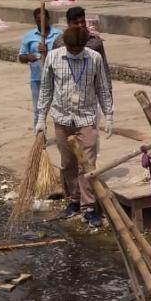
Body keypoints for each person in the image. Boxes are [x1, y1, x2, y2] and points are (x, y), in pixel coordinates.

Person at [35, 26, 114, 229]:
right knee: (68, 163)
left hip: (86, 117)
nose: (75, 52)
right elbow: (46, 89)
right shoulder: (53, 57)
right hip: (62, 117)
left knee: (87, 164)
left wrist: (109, 115)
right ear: (66, 45)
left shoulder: (94, 58)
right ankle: (74, 200)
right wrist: (41, 119)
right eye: (72, 49)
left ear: (84, 45)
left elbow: (102, 88)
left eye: (78, 49)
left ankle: (89, 206)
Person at [19, 6, 63, 127]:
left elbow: (64, 55)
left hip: (56, 77)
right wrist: (29, 57)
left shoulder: (59, 34)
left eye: (43, 20)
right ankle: (39, 136)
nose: (40, 23)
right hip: (37, 78)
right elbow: (21, 57)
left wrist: (48, 52)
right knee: (38, 110)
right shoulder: (29, 36)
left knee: (60, 108)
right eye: (38, 20)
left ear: (48, 19)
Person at [54, 6, 111, 92]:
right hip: (65, 91)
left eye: (82, 22)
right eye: (76, 23)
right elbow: (51, 67)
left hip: (90, 91)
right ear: (69, 23)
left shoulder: (95, 41)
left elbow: (103, 67)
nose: (80, 25)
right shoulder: (60, 42)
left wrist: (108, 89)